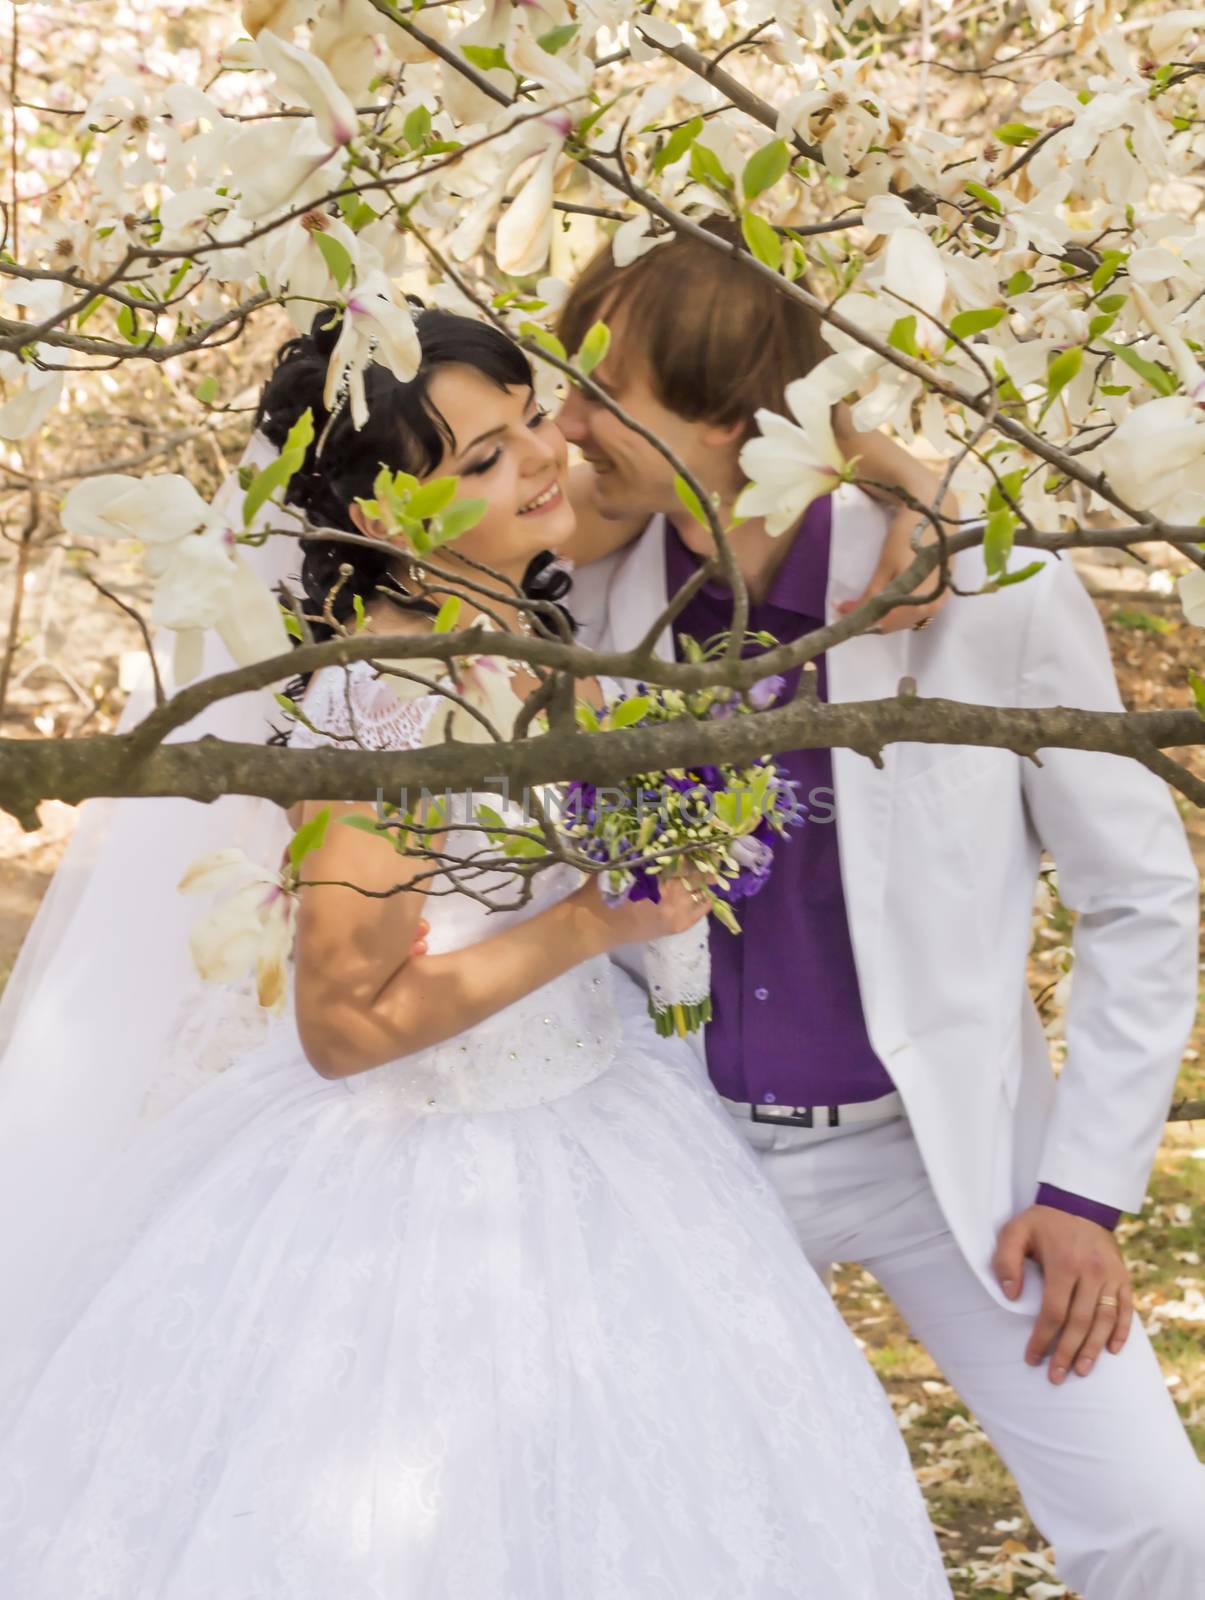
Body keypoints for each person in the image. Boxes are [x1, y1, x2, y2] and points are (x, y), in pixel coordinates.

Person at [0, 309, 954, 1599]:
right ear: (393, 522)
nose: (550, 456)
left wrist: (915, 487)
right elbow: (343, 1028)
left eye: (533, 418)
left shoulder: (527, 629)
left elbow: (744, 434)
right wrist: (599, 918)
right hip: (422, 1182)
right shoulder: (376, 707)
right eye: (489, 457)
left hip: (606, 1124)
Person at [560, 221, 1205, 1597]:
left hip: (946, 1164)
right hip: (683, 1157)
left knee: (1164, 1530)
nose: (567, 426)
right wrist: (883, 449)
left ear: (733, 416)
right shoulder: (579, 603)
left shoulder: (983, 588)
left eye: (601, 391)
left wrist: (1085, 1189)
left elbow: (1135, 892)